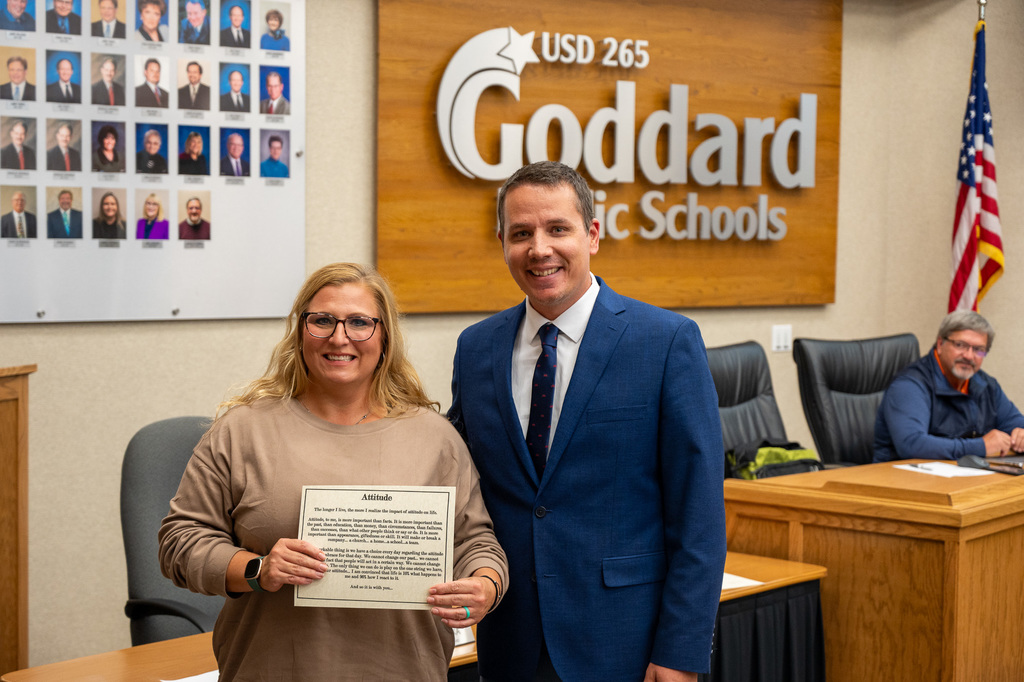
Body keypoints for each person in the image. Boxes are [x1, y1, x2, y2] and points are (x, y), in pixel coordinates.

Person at [158, 262, 508, 681]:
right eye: (322, 320)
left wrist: (485, 584)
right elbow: (180, 542)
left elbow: (474, 540)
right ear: (300, 331)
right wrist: (258, 569)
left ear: (384, 337)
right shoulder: (242, 431)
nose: (339, 337)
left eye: (359, 322)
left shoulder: (434, 438)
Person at [448, 161, 726, 682]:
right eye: (521, 233)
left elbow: (700, 519)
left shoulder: (665, 342)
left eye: (558, 229)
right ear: (502, 242)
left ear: (592, 235)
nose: (539, 249)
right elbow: (457, 484)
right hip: (510, 642)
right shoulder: (476, 348)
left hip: (623, 642)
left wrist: (679, 656)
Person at [874, 311, 1024, 462]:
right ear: (940, 344)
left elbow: (1016, 423)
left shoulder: (986, 385)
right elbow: (912, 444)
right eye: (960, 345)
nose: (969, 356)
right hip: (900, 479)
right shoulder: (909, 384)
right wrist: (981, 446)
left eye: (978, 350)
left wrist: (1021, 435)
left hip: (961, 477)